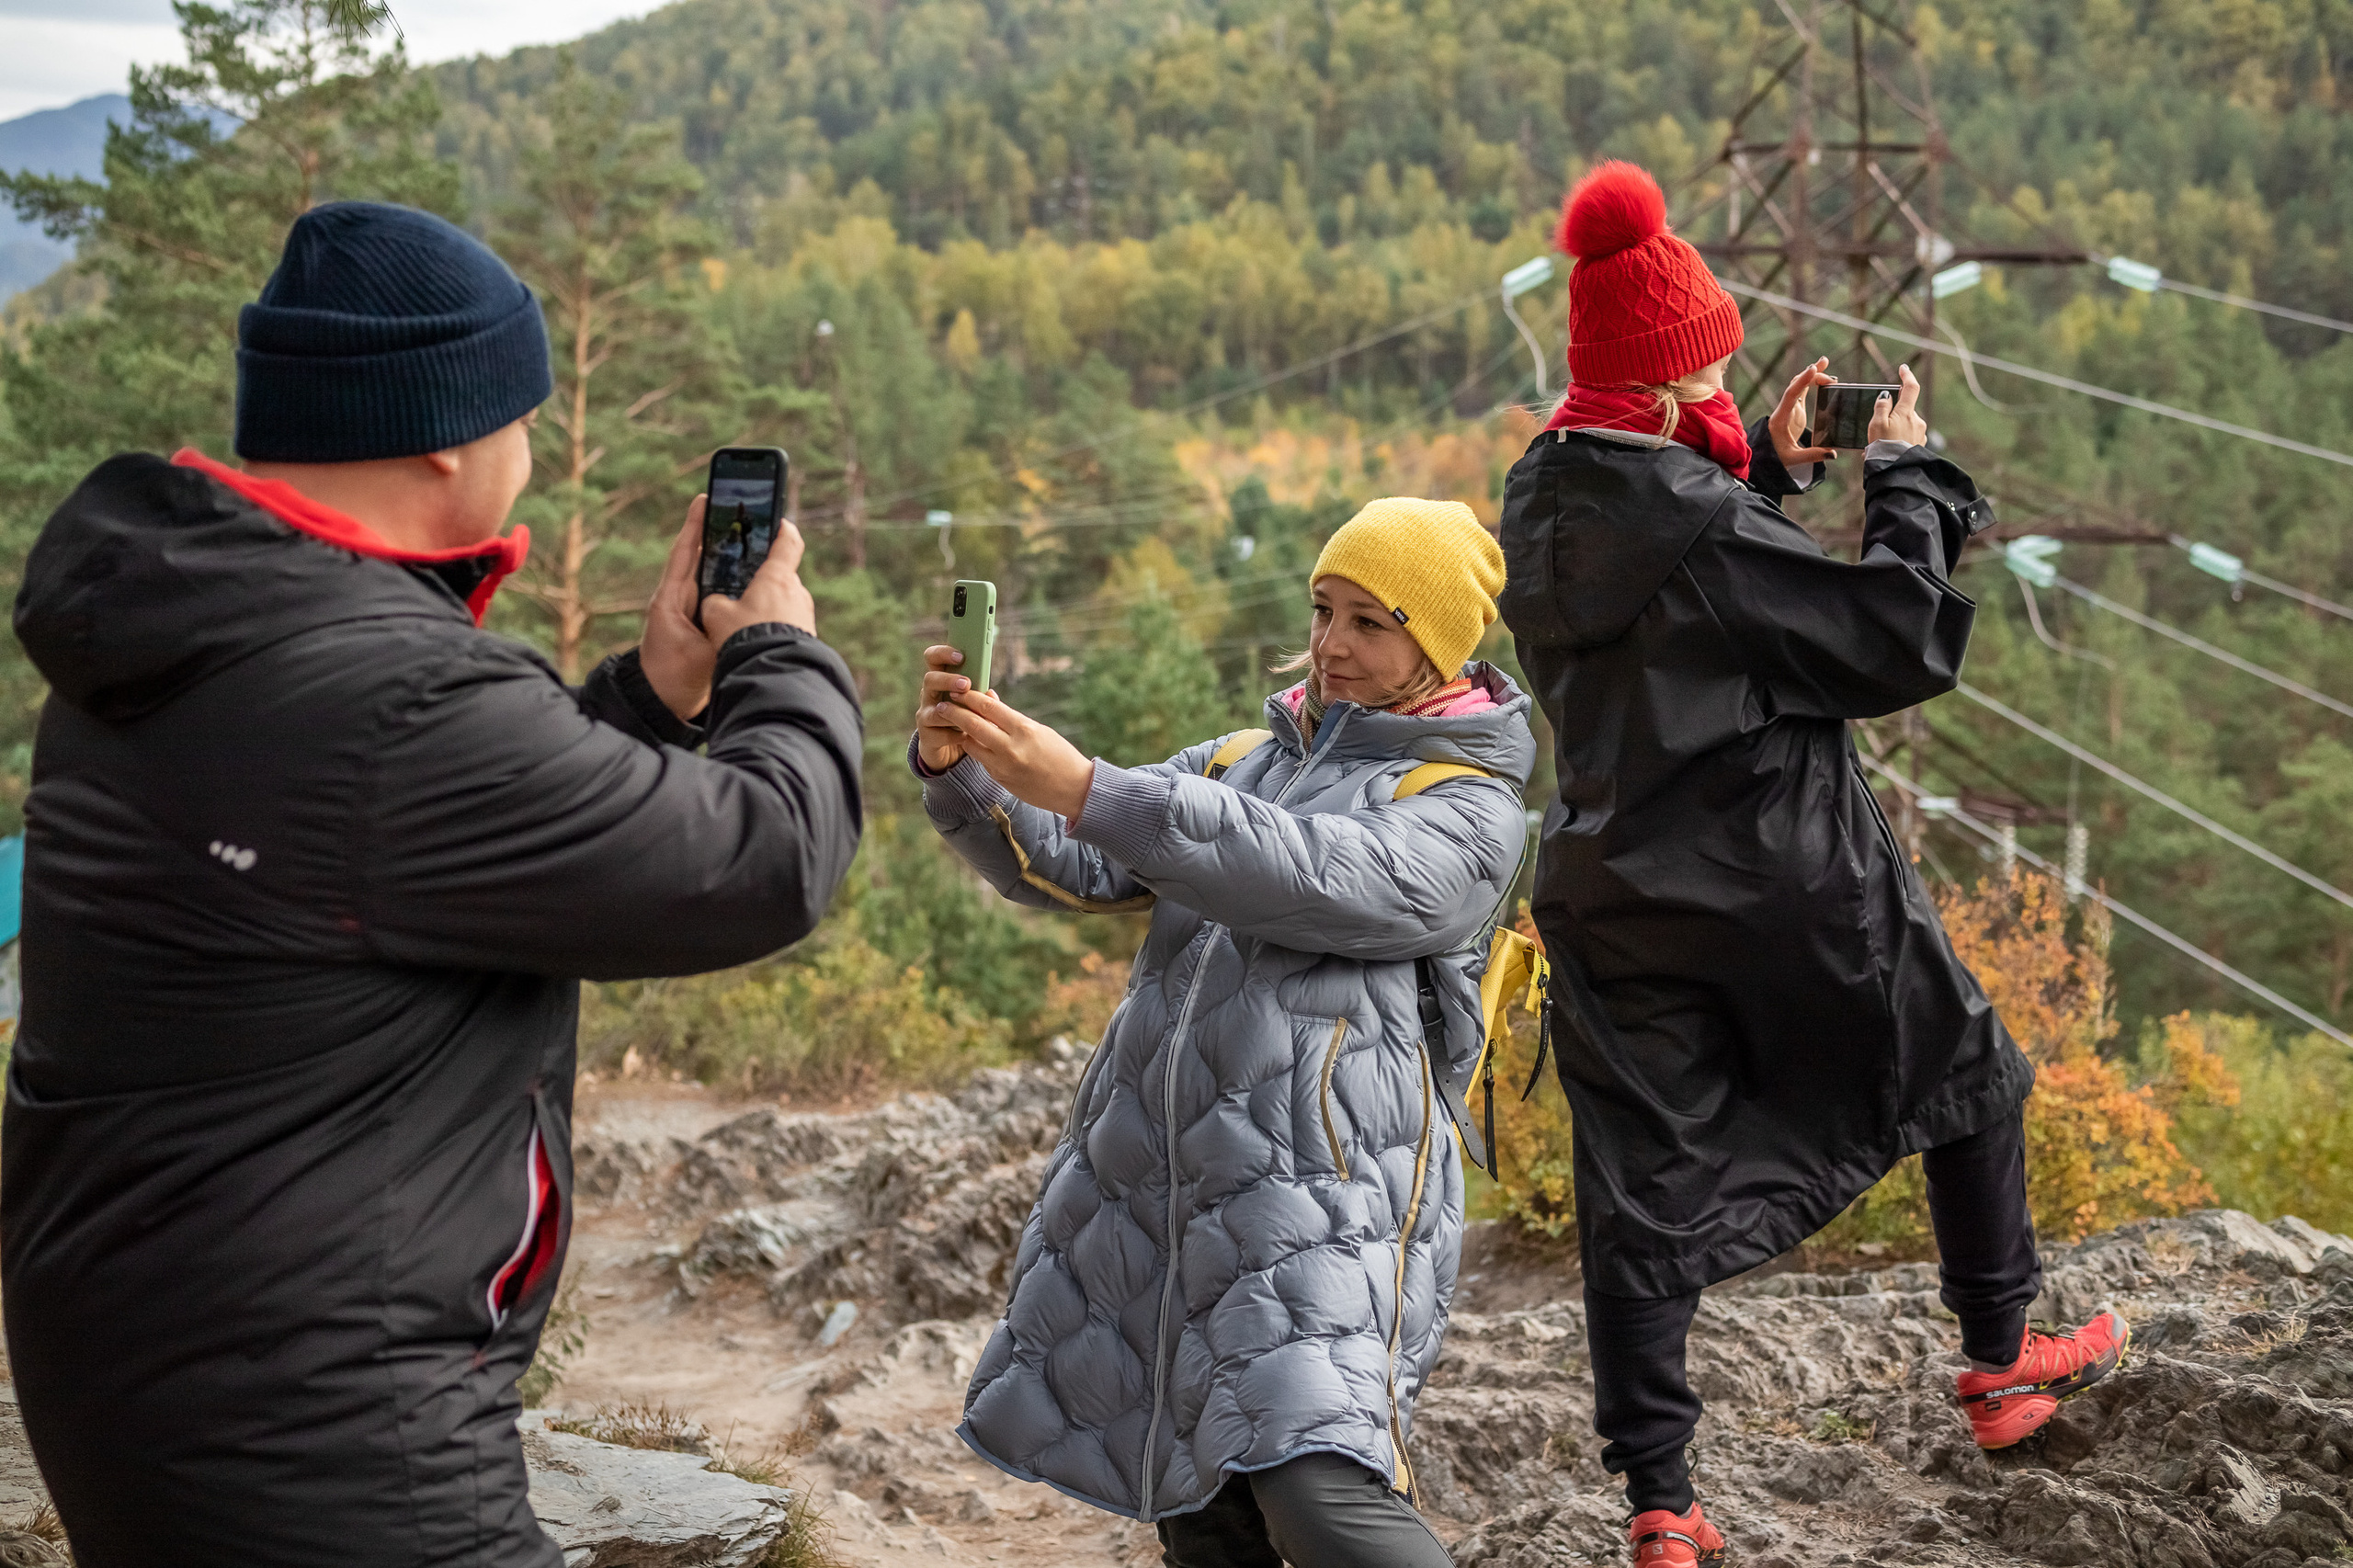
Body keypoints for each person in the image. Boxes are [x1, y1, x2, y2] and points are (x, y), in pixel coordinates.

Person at [2, 202, 864, 1568]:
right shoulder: (388, 694)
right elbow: (764, 859)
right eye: (526, 412)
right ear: (445, 432)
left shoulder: (192, 629)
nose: (535, 447)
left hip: (159, 1379)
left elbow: (428, 851)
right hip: (328, 1433)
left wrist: (647, 696)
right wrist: (779, 658)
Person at [1496, 162, 2128, 1566]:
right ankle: (2005, 1352)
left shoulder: (1543, 493)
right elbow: (1889, 640)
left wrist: (1768, 467)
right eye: (1709, 372)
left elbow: (1661, 600)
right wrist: (1903, 476)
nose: (1726, 386)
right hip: (1779, 874)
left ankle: (1661, 1501)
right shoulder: (1702, 524)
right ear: (1661, 398)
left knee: (1641, 1189)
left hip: (1607, 886)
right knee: (1965, 1069)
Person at [912, 500, 1534, 1568]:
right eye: (1321, 608)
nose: (1332, 642)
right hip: (1169, 1187)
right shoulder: (1243, 754)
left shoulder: (1468, 804)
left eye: (1370, 622)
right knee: (1201, 1507)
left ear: (1437, 642)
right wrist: (968, 768)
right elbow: (1079, 853)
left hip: (1319, 1198)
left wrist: (1100, 789)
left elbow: (1303, 872)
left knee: (1317, 1486)